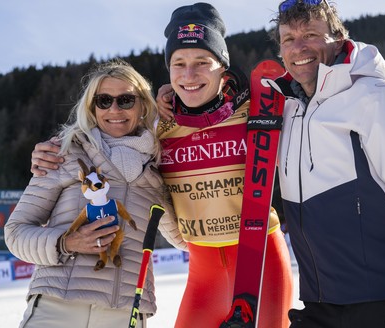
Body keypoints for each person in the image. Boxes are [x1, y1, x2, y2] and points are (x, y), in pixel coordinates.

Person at [30, 4, 293, 327]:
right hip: (202, 273)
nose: (189, 74)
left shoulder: (256, 110)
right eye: (178, 64)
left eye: (202, 63)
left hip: (261, 260)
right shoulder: (158, 129)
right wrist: (53, 150)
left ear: (222, 68)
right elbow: (112, 140)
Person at [266, 0, 385, 327]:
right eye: (288, 39)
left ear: (338, 39)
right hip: (319, 307)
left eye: (310, 34)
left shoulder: (377, 99)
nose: (298, 48)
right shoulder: (288, 111)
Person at [5, 59, 185, 328]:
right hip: (58, 305)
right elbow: (16, 232)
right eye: (103, 101)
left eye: (125, 100)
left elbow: (185, 238)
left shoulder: (158, 169)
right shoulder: (64, 153)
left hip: (124, 311)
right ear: (92, 107)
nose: (114, 109)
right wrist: (65, 242)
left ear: (143, 105)